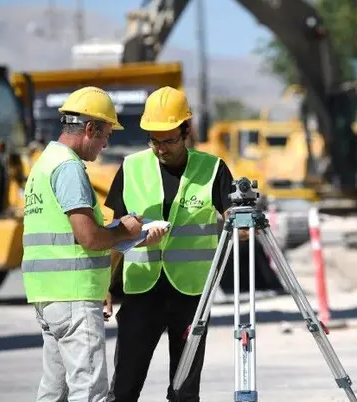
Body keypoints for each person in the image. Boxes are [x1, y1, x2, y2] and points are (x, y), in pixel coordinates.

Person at [21, 86, 167, 402]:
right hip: (74, 296)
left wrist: (129, 236)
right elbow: (89, 238)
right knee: (90, 392)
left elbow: (69, 237)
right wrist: (125, 230)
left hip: (49, 295)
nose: (105, 144)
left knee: (54, 392)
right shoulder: (70, 168)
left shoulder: (45, 163)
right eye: (105, 135)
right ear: (90, 129)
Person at [104, 86, 243, 402]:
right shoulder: (131, 168)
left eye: (169, 140)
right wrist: (105, 286)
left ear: (187, 130)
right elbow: (113, 234)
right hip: (140, 292)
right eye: (155, 140)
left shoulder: (213, 169)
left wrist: (242, 225)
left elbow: (232, 214)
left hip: (191, 296)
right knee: (123, 389)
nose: (162, 148)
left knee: (184, 393)